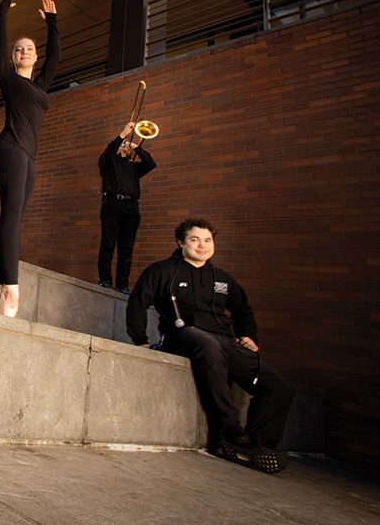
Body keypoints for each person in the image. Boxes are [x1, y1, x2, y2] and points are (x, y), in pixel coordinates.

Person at [126, 218, 294, 474]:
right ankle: (233, 432)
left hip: (225, 341)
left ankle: (255, 449)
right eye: (194, 240)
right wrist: (140, 341)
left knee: (279, 388)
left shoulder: (222, 279)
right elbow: (137, 303)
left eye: (207, 240)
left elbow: (243, 310)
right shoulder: (162, 271)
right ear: (181, 242)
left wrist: (249, 335)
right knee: (207, 344)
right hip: (183, 335)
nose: (202, 245)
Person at [0, 0, 60, 317]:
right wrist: (3, 9)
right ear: (14, 57)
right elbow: (0, 42)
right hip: (10, 148)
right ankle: (11, 289)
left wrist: (52, 24)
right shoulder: (8, 79)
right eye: (19, 49)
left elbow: (55, 56)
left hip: (28, 156)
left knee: (11, 217)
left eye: (29, 48)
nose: (24, 51)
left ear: (34, 56)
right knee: (11, 215)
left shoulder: (40, 86)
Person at [97, 121, 156, 295]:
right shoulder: (108, 163)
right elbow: (108, 152)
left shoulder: (135, 167)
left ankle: (123, 285)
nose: (124, 146)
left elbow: (151, 163)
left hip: (131, 207)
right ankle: (105, 281)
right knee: (108, 244)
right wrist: (122, 134)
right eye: (122, 145)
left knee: (126, 249)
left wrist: (136, 147)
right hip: (112, 205)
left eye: (126, 145)